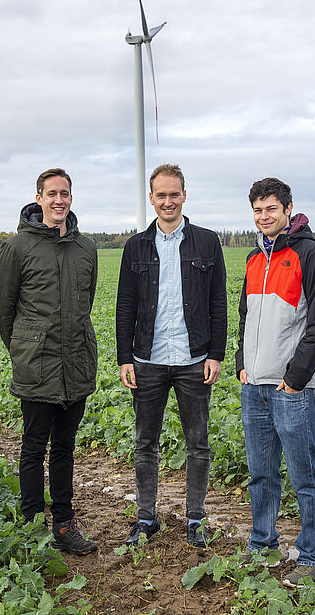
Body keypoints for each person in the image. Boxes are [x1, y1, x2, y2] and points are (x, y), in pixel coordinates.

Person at [116, 164, 227, 547]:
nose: (168, 201)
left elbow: (218, 302)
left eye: (174, 194)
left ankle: (195, 518)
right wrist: (124, 357)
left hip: (194, 358)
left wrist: (216, 353)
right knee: (145, 442)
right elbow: (125, 305)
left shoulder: (207, 242)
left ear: (184, 195)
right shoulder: (135, 246)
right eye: (160, 195)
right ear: (151, 198)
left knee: (198, 443)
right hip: (147, 359)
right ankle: (146, 518)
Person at [0, 168, 98, 555]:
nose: (58, 200)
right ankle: (34, 525)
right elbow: (2, 308)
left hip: (76, 364)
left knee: (65, 447)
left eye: (64, 193)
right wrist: (24, 346)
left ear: (71, 198)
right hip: (36, 365)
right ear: (39, 198)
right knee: (34, 447)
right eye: (51, 193)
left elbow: (86, 302)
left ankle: (65, 524)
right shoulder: (18, 247)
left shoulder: (85, 248)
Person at [235, 177, 315, 587]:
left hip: (292, 390)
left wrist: (295, 379)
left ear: (288, 208)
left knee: (304, 475)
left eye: (271, 209)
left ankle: (312, 555)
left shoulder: (312, 256)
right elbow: (245, 315)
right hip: (253, 387)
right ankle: (263, 543)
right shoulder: (253, 259)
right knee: (261, 474)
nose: (264, 217)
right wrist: (242, 362)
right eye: (258, 210)